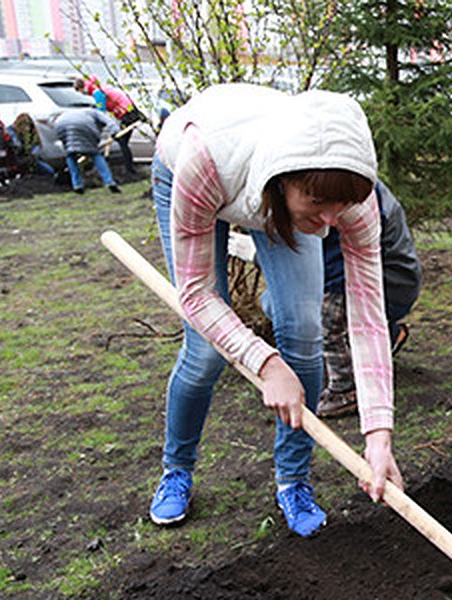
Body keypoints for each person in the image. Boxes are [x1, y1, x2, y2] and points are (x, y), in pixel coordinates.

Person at [147, 83, 401, 537]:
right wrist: (264, 362)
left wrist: (378, 435)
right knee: (205, 353)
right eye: (319, 203)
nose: (330, 220)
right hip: (201, 175)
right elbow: (196, 293)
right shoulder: (205, 160)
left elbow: (367, 316)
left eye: (340, 205)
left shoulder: (349, 199)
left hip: (275, 191)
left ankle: (294, 481)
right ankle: (177, 469)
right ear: (285, 182)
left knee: (305, 332)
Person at [316, 180, 422, 418]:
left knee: (323, 318)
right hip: (395, 281)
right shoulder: (348, 181)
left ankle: (346, 391)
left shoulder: (349, 193)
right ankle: (390, 336)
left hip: (390, 283)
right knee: (274, 303)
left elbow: (335, 272)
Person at [75, 75, 147, 176]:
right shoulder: (98, 87)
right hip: (128, 111)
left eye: (81, 92)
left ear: (82, 88)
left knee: (122, 141)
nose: (83, 94)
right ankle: (129, 168)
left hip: (127, 113)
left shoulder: (97, 93)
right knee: (121, 140)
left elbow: (101, 113)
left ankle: (130, 170)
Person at [53, 107, 121, 194]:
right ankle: (109, 182)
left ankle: (77, 185)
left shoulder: (72, 112)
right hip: (85, 125)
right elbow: (110, 122)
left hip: (61, 124)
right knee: (95, 154)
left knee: (71, 154)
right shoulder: (96, 112)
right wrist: (115, 132)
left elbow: (61, 137)